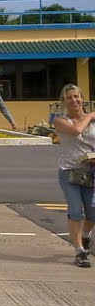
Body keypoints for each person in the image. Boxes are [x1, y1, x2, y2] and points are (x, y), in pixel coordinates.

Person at [52, 84, 95, 268]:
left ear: (82, 98)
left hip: (90, 172)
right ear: (64, 102)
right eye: (69, 97)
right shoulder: (60, 121)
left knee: (92, 214)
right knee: (76, 210)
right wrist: (91, 115)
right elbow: (77, 130)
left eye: (76, 96)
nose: (74, 100)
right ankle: (79, 252)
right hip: (69, 172)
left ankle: (85, 236)